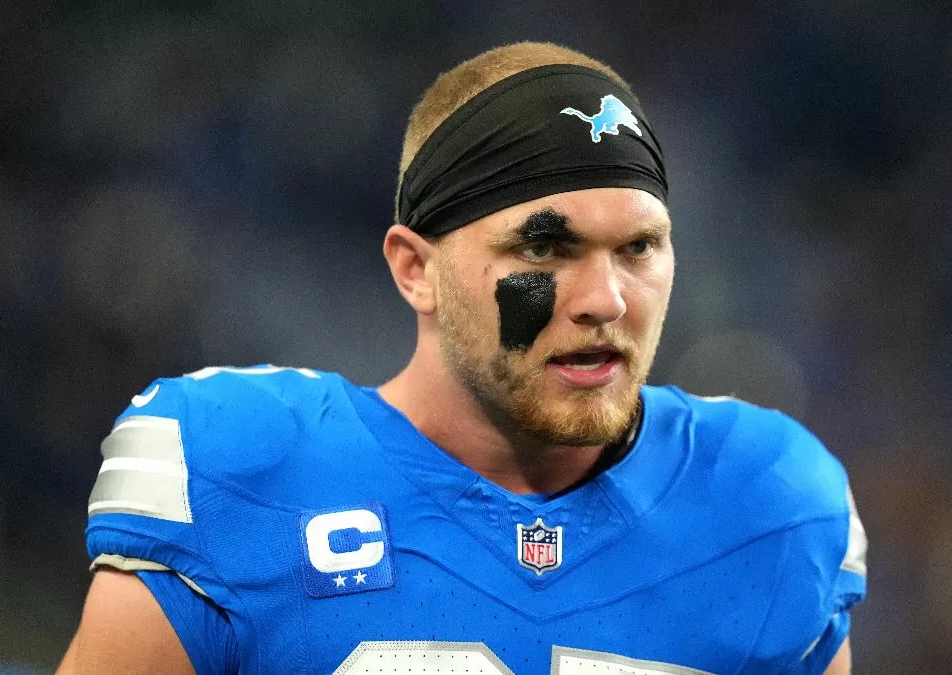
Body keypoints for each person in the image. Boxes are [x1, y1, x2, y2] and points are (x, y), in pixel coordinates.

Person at [57, 42, 866, 675]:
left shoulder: (768, 506)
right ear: (417, 269)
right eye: (544, 247)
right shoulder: (241, 473)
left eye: (638, 247)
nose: (606, 299)